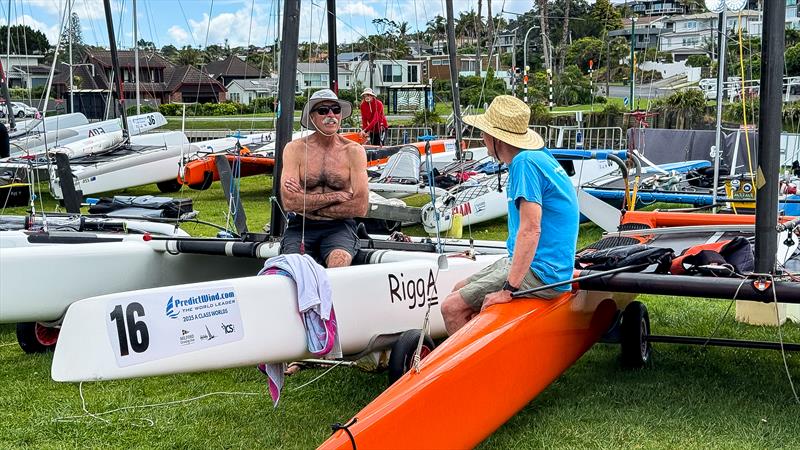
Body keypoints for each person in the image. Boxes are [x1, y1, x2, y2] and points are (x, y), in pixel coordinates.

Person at [440, 95, 579, 334]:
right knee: (458, 289)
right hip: (546, 266)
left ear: (496, 138)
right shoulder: (539, 155)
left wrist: (509, 289)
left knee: (451, 308)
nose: (482, 139)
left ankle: (477, 369)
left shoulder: (524, 163)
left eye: (483, 133)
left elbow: (531, 229)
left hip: (542, 272)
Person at [280, 89, 369, 268]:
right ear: (312, 117)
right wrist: (336, 196)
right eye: (323, 111)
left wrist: (308, 205)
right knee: (295, 268)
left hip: (340, 227)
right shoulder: (295, 149)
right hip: (301, 226)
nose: (331, 115)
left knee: (339, 262)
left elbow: (360, 206)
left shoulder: (353, 151)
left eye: (335, 110)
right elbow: (289, 203)